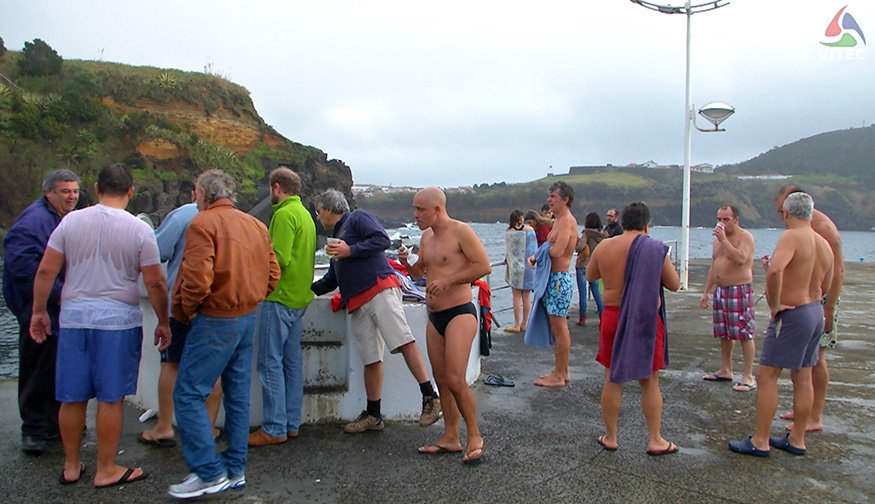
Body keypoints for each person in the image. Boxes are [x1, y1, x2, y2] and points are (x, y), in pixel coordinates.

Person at [30, 164, 171, 487]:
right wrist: (163, 321)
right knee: (110, 397)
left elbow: (46, 271)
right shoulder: (139, 230)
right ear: (131, 191)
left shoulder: (70, 222)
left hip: (74, 319)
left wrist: (39, 311)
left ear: (95, 188)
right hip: (118, 323)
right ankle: (105, 468)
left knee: (72, 396)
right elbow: (155, 282)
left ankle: (71, 465)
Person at [168, 170, 280, 498]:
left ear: (203, 194)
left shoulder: (202, 224)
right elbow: (273, 273)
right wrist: (252, 297)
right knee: (237, 395)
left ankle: (208, 471)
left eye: (196, 192)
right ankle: (235, 468)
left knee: (188, 394)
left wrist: (188, 311)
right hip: (247, 317)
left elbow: (197, 280)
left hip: (215, 318)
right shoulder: (255, 225)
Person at [312, 189, 441, 433]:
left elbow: (382, 240)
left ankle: (430, 396)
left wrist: (350, 250)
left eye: (318, 212)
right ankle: (374, 414)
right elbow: (332, 279)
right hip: (357, 302)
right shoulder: (337, 239)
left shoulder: (357, 217)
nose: (317, 217)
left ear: (329, 209)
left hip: (379, 289)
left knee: (403, 341)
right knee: (371, 359)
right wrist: (304, 290)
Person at [729, 192, 833, 457]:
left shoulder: (791, 236)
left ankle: (760, 440)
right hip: (815, 311)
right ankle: (797, 438)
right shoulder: (823, 243)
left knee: (766, 376)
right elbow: (826, 283)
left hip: (794, 314)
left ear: (786, 213)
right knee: (803, 375)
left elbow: (776, 271)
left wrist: (775, 305)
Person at [400, 187, 491, 463]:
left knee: (455, 379)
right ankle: (451, 436)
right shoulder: (427, 237)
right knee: (441, 380)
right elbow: (420, 271)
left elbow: (483, 266)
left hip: (459, 313)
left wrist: (449, 281)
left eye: (420, 209)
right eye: (414, 209)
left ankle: (475, 435)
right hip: (435, 315)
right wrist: (406, 263)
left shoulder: (461, 231)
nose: (415, 215)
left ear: (437, 209)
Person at [586, 202, 680, 454]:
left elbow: (590, 275)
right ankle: (655, 439)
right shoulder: (654, 249)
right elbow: (674, 284)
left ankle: (610, 436)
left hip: (612, 316)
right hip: (644, 318)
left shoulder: (605, 246)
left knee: (612, 377)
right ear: (647, 226)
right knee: (649, 380)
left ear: (623, 222)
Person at [3, 169, 79, 454]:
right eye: (65, 191)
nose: (71, 197)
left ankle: (51, 423)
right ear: (49, 192)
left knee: (55, 365)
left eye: (74, 191)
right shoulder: (33, 223)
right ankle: (33, 429)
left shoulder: (63, 217)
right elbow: (22, 268)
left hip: (57, 307)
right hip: (37, 308)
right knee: (37, 367)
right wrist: (58, 294)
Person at [139, 196, 223, 448]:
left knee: (171, 363)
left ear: (199, 193)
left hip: (182, 303)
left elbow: (156, 250)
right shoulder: (235, 219)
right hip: (217, 307)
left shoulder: (184, 215)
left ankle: (164, 426)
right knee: (214, 367)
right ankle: (207, 427)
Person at [249, 167, 316, 447]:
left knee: (270, 362)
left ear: (276, 187)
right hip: (299, 298)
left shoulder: (284, 214)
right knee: (292, 363)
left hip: (279, 297)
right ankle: (290, 423)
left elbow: (279, 258)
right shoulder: (306, 215)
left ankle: (274, 426)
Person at [773, 185, 844, 433]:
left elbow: (837, 271)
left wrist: (829, 307)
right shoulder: (800, 230)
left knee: (816, 359)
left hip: (820, 300)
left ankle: (815, 414)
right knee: (801, 363)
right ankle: (802, 410)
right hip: (806, 301)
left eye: (782, 211)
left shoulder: (822, 228)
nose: (781, 217)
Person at [525, 182, 578, 387]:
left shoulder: (566, 221)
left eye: (553, 196)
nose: (549, 200)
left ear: (565, 199)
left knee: (559, 328)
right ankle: (561, 370)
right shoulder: (558, 221)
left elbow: (557, 251)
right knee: (557, 327)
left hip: (558, 280)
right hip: (553, 279)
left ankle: (559, 374)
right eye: (549, 195)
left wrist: (540, 253)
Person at [700, 205, 757, 392]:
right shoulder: (717, 241)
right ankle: (726, 369)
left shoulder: (744, 237)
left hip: (739, 289)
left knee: (744, 332)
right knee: (723, 332)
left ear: (736, 220)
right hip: (721, 290)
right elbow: (714, 265)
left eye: (726, 219)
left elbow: (740, 259)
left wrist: (724, 240)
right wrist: (706, 292)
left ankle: (748, 376)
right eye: (719, 219)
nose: (721, 223)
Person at [503, 209, 536, 333]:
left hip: (515, 268)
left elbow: (508, 251)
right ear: (521, 218)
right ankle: (524, 323)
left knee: (516, 297)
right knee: (526, 297)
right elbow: (533, 248)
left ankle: (516, 324)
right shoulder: (529, 230)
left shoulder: (508, 232)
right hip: (528, 267)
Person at [575, 211, 607, 327]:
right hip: (596, 266)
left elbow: (580, 246)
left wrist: (578, 247)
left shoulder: (587, 234)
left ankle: (582, 318)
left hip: (583, 265)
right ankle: (603, 316)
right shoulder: (603, 235)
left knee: (582, 293)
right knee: (597, 292)